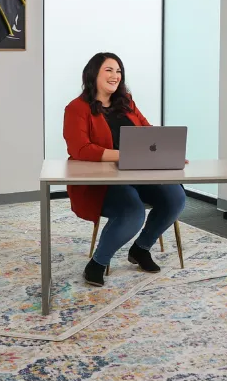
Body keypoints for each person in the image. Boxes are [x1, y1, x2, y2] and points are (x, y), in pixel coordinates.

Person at [63, 52, 186, 288]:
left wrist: (168, 152)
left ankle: (141, 248)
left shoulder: (127, 102)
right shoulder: (76, 108)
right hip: (102, 182)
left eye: (118, 71)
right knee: (133, 212)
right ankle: (97, 263)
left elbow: (148, 132)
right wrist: (124, 154)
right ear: (93, 74)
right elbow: (80, 149)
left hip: (138, 173)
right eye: (109, 70)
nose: (115, 75)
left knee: (176, 198)